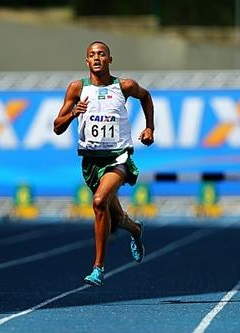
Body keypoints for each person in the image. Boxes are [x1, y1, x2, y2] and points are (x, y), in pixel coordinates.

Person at [53, 41, 155, 286]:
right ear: (86, 61)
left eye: (101, 54)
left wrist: (149, 127)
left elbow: (147, 97)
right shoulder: (77, 88)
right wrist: (72, 114)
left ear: (110, 59)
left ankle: (98, 268)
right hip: (91, 162)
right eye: (91, 55)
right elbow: (57, 127)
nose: (96, 58)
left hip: (118, 158)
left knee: (99, 202)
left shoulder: (125, 86)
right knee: (115, 217)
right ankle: (136, 230)